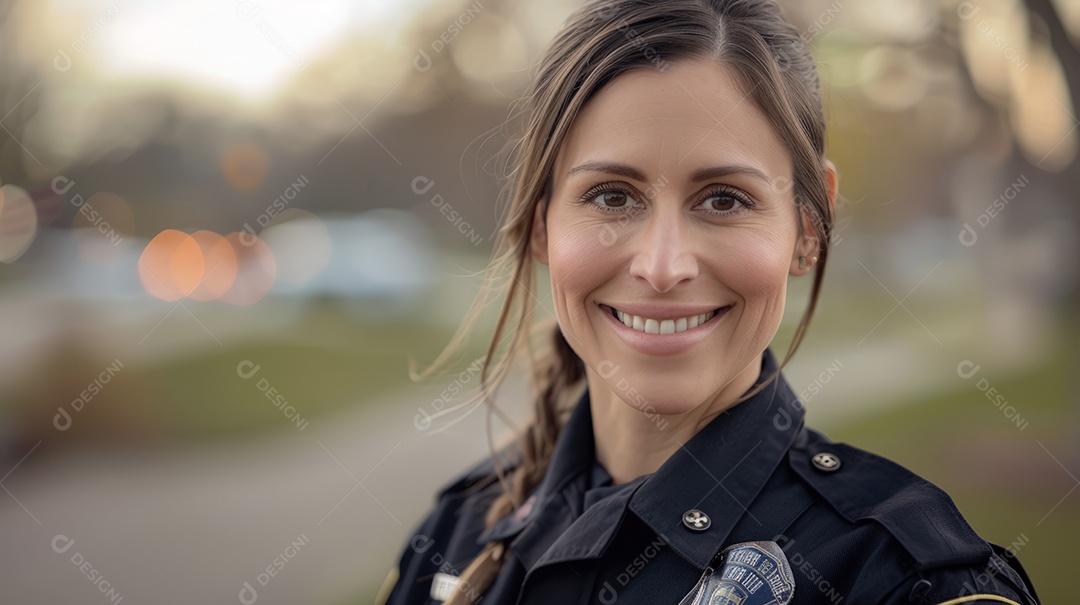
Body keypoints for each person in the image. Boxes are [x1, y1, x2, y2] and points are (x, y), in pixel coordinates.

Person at [377, 0, 1041, 603]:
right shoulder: (453, 537)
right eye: (612, 196)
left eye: (724, 199)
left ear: (809, 227)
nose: (663, 267)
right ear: (544, 223)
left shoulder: (904, 580)